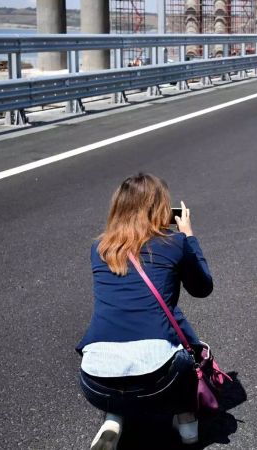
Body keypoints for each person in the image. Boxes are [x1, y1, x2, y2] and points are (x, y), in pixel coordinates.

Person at [76, 173, 214, 449]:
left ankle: (113, 419)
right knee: (189, 355)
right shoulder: (174, 243)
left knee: (115, 360)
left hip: (94, 381)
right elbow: (202, 288)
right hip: (157, 380)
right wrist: (188, 235)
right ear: (161, 209)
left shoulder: (99, 248)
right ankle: (187, 423)